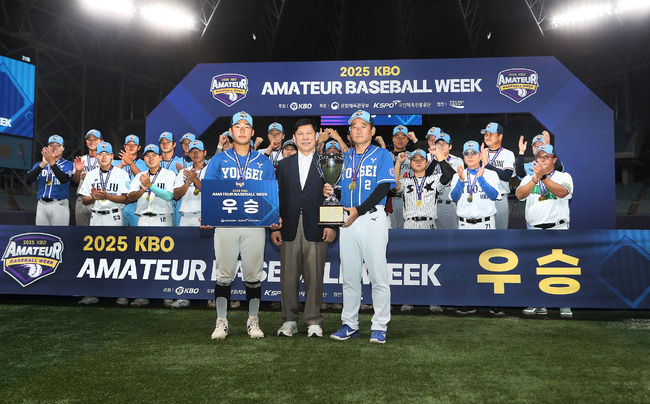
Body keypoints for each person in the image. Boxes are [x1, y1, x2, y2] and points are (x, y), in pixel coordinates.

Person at [325, 110, 396, 344]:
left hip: (372, 218)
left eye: (363, 126)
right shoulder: (344, 158)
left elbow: (383, 188)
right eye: (354, 126)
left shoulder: (382, 154)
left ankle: (379, 325)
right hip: (347, 220)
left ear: (372, 131)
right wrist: (330, 191)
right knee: (350, 276)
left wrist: (359, 210)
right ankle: (350, 324)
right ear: (349, 132)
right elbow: (340, 189)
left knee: (378, 276)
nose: (358, 130)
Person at [205, 111, 276, 340]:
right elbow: (210, 190)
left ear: (253, 132)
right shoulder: (218, 160)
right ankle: (221, 320)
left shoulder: (263, 162)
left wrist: (273, 216)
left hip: (254, 224)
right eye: (238, 126)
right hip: (226, 223)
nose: (242, 130)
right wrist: (208, 215)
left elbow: (270, 194)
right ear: (230, 131)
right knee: (224, 274)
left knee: (253, 274)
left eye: (247, 126)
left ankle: (253, 320)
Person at [271, 118, 337, 338]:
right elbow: (276, 197)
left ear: (316, 136)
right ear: (294, 137)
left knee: (315, 276)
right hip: (288, 227)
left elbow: (335, 195)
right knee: (288, 277)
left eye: (309, 133)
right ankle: (289, 320)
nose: (305, 138)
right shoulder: (284, 165)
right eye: (301, 134)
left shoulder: (327, 163)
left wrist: (331, 225)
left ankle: (313, 321)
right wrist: (274, 227)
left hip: (317, 226)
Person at [515, 144, 573, 319]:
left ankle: (564, 304)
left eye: (546, 157)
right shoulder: (529, 177)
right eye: (539, 157)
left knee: (560, 267)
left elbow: (562, 192)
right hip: (535, 229)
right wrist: (535, 179)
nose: (542, 160)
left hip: (558, 228)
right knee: (534, 268)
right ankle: (536, 303)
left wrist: (543, 177)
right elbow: (519, 195)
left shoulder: (564, 176)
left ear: (554, 160)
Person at [449, 140, 501, 315]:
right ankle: (468, 301)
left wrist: (481, 179)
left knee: (489, 263)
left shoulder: (491, 173)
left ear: (480, 155)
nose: (470, 156)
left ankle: (492, 301)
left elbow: (494, 195)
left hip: (485, 223)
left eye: (473, 153)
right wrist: (461, 181)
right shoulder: (458, 174)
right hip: (465, 224)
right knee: (467, 265)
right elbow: (454, 197)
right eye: (467, 154)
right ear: (464, 157)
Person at [77, 142, 130, 305]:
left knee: (117, 255)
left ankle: (121, 293)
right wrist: (94, 197)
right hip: (96, 216)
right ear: (97, 157)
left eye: (107, 154)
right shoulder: (91, 174)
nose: (104, 157)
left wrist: (107, 196)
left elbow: (126, 198)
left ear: (112, 156)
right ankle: (93, 293)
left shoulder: (121, 173)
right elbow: (85, 200)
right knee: (95, 256)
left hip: (114, 216)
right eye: (100, 154)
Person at [27, 135, 74, 225]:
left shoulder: (69, 164)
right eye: (51, 145)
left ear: (63, 148)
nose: (54, 148)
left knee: (59, 232)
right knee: (41, 233)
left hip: (59, 204)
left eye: (58, 145)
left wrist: (51, 162)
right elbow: (29, 180)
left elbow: (64, 179)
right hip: (41, 204)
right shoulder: (40, 164)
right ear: (47, 148)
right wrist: (43, 164)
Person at [426, 129, 464, 230]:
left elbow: (452, 177)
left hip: (448, 204)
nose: (440, 146)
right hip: (431, 205)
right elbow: (425, 177)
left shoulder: (457, 160)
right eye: (438, 144)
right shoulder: (431, 161)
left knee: (451, 236)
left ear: (450, 146)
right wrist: (435, 159)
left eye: (444, 144)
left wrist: (441, 159)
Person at [480, 122, 515, 229]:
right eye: (486, 134)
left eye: (491, 134)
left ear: (500, 136)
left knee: (500, 233)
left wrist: (487, 165)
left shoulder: (508, 154)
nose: (487, 136)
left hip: (499, 199)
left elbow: (506, 176)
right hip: (482, 198)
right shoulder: (480, 152)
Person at [114, 134, 146, 226]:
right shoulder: (115, 163)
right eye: (128, 144)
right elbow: (108, 178)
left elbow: (142, 180)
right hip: (118, 204)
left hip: (136, 204)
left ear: (139, 147)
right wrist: (121, 165)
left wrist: (130, 163)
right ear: (124, 146)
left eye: (134, 144)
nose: (131, 147)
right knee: (118, 233)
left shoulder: (144, 164)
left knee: (136, 233)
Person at [72, 129, 102, 226]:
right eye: (89, 139)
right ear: (86, 142)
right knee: (81, 232)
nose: (92, 141)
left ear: (101, 141)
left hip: (98, 199)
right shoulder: (81, 159)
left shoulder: (106, 160)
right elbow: (75, 182)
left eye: (95, 139)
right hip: (81, 199)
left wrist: (90, 177)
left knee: (97, 231)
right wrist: (78, 171)